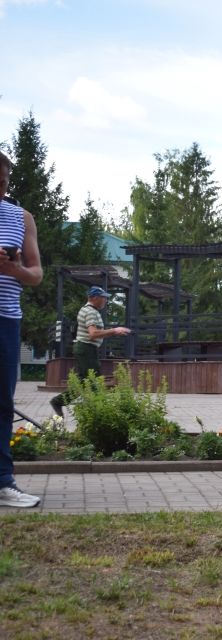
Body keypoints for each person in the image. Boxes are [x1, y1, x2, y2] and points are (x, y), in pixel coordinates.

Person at [0, 151, 44, 508]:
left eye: (4, 182)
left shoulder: (21, 217)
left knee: (2, 403)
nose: (0, 188)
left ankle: (3, 482)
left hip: (6, 319)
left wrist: (14, 270)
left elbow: (37, 274)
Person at [49, 286, 132, 417]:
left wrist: (112, 332)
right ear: (94, 298)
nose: (106, 300)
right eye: (104, 297)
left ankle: (68, 403)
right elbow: (93, 334)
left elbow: (95, 334)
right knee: (92, 382)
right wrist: (114, 331)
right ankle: (98, 411)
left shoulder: (89, 310)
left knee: (87, 381)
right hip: (86, 348)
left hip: (87, 348)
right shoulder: (90, 312)